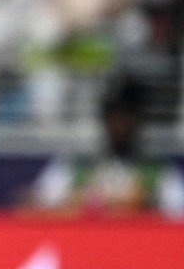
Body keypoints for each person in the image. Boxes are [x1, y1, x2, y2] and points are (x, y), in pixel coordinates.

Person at [28, 78, 184, 217]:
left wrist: (145, 202)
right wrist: (78, 199)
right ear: (104, 122)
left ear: (137, 123)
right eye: (114, 119)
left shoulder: (158, 170)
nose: (119, 126)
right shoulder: (75, 166)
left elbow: (177, 214)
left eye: (125, 119)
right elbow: (37, 205)